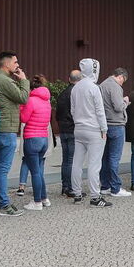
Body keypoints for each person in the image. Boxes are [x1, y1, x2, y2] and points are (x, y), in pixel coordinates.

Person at [0, 51, 29, 217]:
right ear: (6, 64)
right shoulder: (4, 80)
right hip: (7, 130)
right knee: (2, 169)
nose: (17, 65)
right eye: (15, 62)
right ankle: (4, 205)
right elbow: (23, 97)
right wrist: (24, 80)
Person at [70, 58, 112, 208]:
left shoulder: (75, 88)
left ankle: (77, 193)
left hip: (79, 128)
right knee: (94, 164)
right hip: (94, 129)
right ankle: (95, 196)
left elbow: (73, 110)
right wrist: (104, 129)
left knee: (77, 162)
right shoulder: (94, 88)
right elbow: (100, 111)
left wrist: (78, 122)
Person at [20, 74, 52, 211]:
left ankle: (37, 202)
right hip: (44, 138)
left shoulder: (31, 100)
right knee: (39, 171)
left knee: (34, 172)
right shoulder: (47, 101)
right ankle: (44, 198)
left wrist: (21, 106)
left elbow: (23, 118)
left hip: (32, 138)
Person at [99, 67, 131, 197]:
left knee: (105, 157)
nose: (123, 83)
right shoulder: (116, 87)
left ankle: (105, 185)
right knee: (114, 157)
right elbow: (118, 107)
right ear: (120, 76)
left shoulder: (102, 85)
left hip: (105, 124)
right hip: (116, 125)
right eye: (123, 80)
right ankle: (115, 188)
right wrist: (125, 101)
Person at [55, 70, 79, 198]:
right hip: (73, 129)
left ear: (69, 79)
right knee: (72, 160)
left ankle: (65, 186)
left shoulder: (63, 93)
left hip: (63, 129)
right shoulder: (76, 93)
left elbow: (57, 113)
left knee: (66, 160)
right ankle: (71, 187)